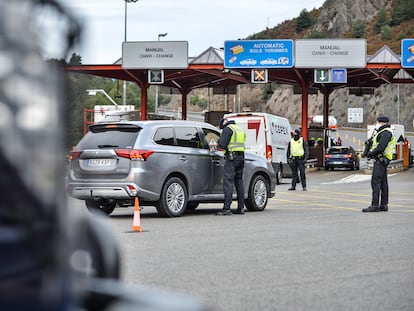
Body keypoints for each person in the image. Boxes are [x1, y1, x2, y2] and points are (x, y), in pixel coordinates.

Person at [362, 115, 396, 212]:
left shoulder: (385, 133)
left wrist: (370, 153)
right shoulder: (384, 132)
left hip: (381, 160)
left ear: (381, 122)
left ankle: (375, 205)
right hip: (383, 159)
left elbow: (381, 147)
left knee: (375, 182)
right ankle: (384, 205)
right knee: (383, 183)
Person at [216, 118, 246, 215]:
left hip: (232, 159)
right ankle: (241, 208)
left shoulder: (228, 129)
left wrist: (218, 141)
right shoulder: (239, 129)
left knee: (228, 182)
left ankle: (227, 208)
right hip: (241, 158)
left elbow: (222, 144)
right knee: (239, 182)